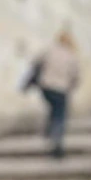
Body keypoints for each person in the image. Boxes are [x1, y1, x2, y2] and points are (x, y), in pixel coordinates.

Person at [32, 31, 81, 159]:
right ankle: (57, 142)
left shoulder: (49, 51)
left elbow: (36, 63)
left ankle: (49, 131)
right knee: (60, 115)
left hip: (46, 87)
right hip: (61, 89)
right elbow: (75, 75)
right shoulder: (71, 55)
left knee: (53, 110)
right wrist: (72, 86)